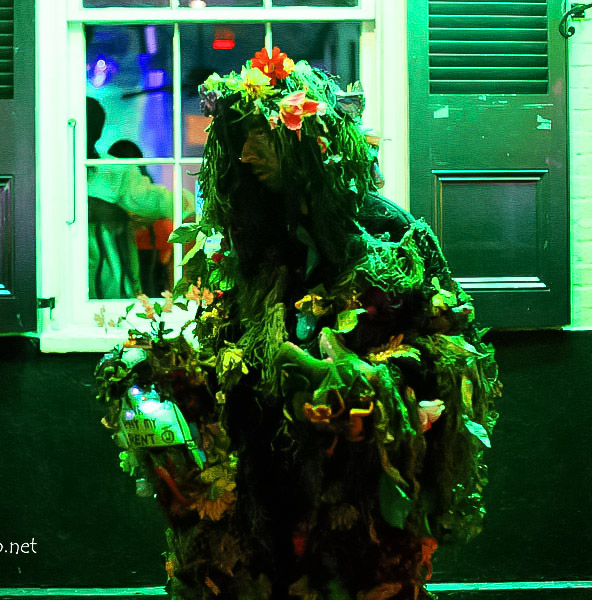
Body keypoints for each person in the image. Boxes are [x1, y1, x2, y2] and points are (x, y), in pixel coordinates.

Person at [96, 48, 500, 599]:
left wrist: (361, 380)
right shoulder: (253, 240)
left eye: (261, 137)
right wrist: (176, 367)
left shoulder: (385, 232)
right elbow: (228, 335)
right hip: (262, 466)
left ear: (306, 141)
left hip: (352, 477)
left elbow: (447, 347)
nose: (245, 155)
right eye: (238, 140)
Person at [86, 98, 191, 298]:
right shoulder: (39, 165)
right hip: (53, 283)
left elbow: (159, 202)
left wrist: (204, 204)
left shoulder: (117, 171)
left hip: (108, 290)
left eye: (91, 124)